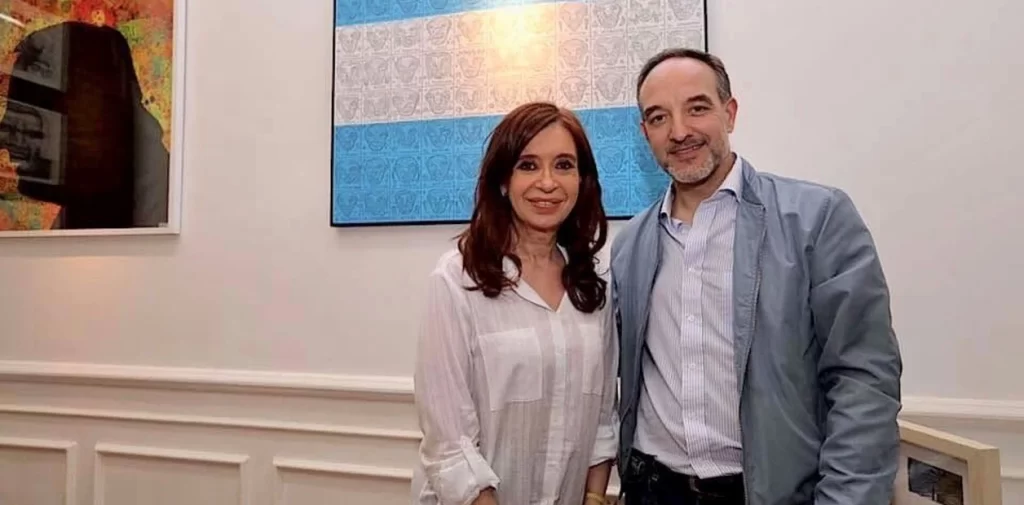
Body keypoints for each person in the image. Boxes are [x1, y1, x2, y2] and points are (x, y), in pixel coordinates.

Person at [611, 48, 903, 504]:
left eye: (697, 108)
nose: (679, 131)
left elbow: (863, 378)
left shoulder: (817, 219)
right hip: (654, 490)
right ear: (645, 132)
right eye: (659, 117)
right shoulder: (631, 245)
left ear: (730, 113)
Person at [412, 102, 619, 505]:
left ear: (582, 181)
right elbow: (449, 445)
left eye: (564, 165)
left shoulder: (594, 285)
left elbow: (602, 421)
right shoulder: (457, 280)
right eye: (528, 165)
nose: (548, 182)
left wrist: (594, 499)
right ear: (503, 181)